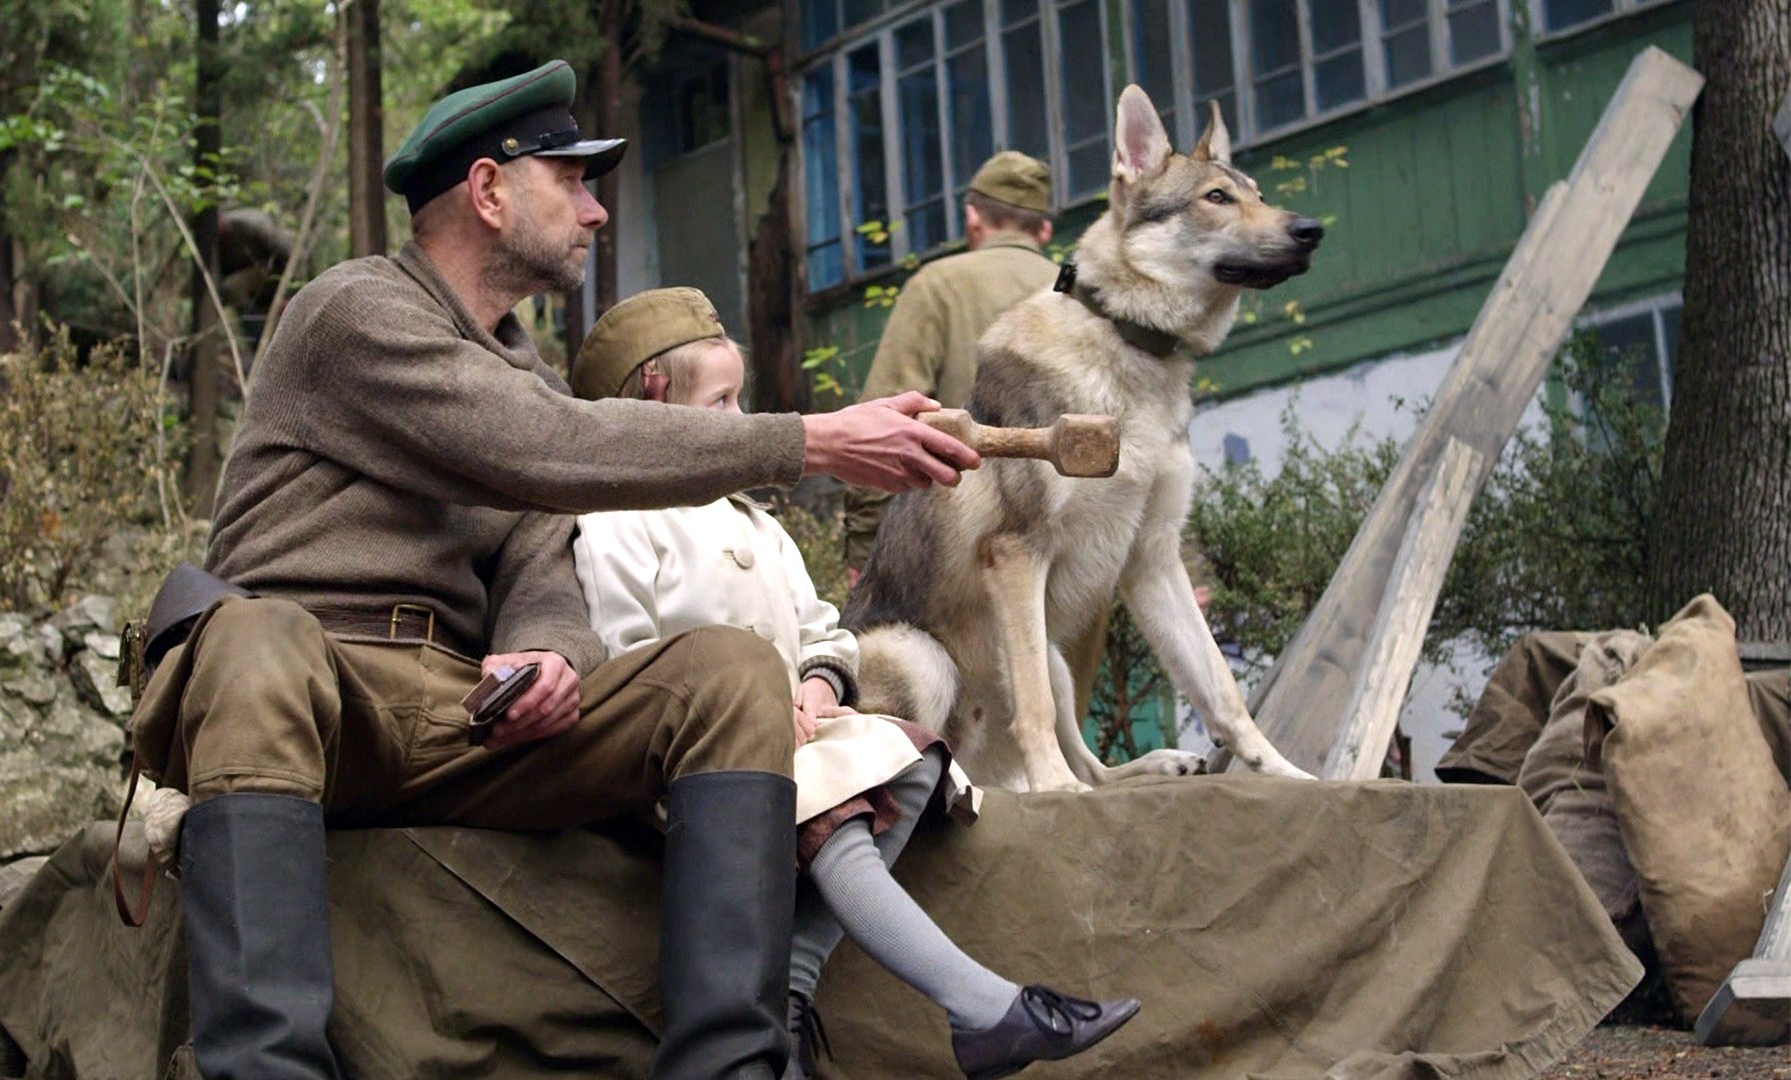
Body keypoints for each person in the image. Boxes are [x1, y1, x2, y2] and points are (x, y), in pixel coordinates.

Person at [128, 60, 982, 1080]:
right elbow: (542, 444)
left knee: (727, 673)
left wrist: (546, 653)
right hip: (301, 692)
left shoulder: (517, 366)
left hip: (453, 709)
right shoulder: (352, 312)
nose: (595, 213)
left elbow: (543, 554)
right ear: (490, 192)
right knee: (254, 636)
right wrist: (810, 440)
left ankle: (732, 1066)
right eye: (571, 181)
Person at [566, 288, 1141, 1080]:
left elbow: (823, 627)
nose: (744, 420)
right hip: (695, 767)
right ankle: (984, 1008)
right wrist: (742, 711)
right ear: (657, 399)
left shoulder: (754, 523)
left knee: (902, 751)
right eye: (723, 401)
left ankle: (800, 995)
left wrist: (819, 682)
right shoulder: (617, 521)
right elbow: (623, 654)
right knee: (834, 809)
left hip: (794, 740)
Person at [842, 150, 1059, 582]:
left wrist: (865, 547)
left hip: (962, 553)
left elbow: (882, 418)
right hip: (1073, 548)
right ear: (1045, 229)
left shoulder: (936, 286)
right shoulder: (1078, 293)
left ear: (972, 217)